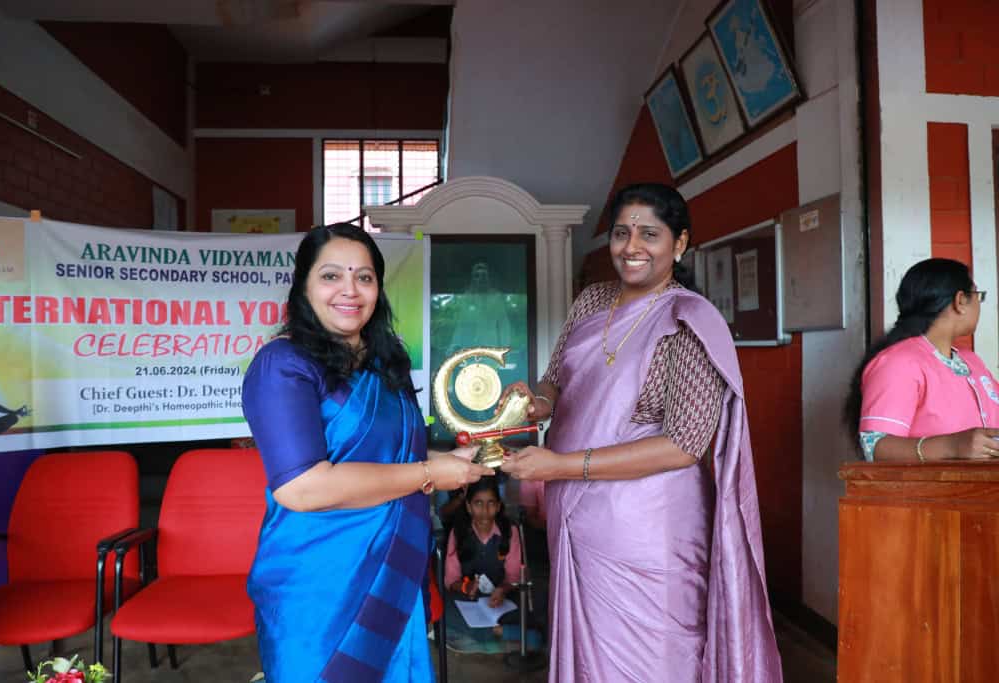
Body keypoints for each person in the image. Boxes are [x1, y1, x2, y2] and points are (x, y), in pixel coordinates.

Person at [498, 183, 782, 682]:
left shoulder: (689, 319)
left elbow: (685, 445)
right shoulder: (592, 301)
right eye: (621, 233)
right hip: (578, 519)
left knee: (654, 661)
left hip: (649, 529)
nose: (631, 247)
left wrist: (561, 465)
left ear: (680, 242)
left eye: (649, 234)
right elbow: (556, 380)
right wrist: (534, 402)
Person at [241, 223, 492, 683]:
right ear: (303, 285)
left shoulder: (385, 360)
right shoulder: (283, 365)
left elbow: (395, 452)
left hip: (395, 564)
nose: (350, 290)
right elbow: (302, 488)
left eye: (364, 277)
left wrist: (454, 461)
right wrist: (428, 473)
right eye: (331, 276)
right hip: (319, 583)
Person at [845, 257, 999, 462]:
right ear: (960, 300)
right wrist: (952, 446)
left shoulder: (972, 362)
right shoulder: (899, 363)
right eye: (978, 296)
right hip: (929, 484)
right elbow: (876, 447)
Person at [444, 478, 521, 607]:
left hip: (502, 602)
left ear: (498, 506)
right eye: (478, 503)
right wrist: (466, 587)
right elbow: (451, 580)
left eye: (491, 503)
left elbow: (514, 578)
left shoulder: (509, 531)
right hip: (466, 603)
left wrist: (503, 589)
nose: (485, 510)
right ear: (469, 507)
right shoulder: (458, 532)